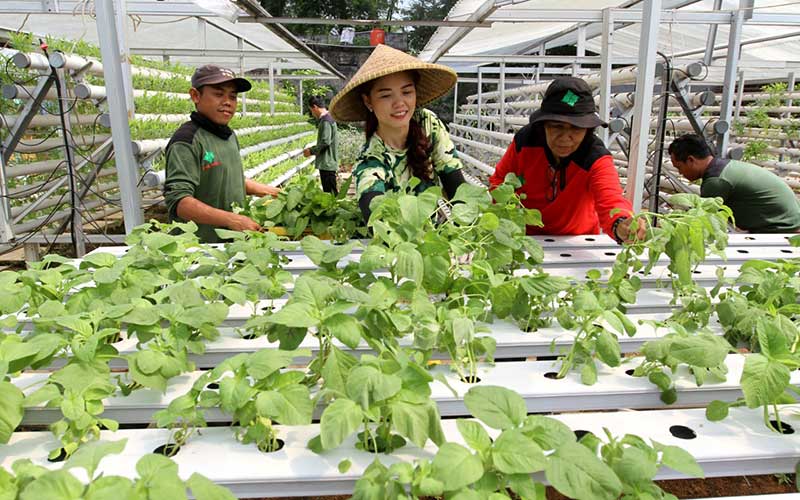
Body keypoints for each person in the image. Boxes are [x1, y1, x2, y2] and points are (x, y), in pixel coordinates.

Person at [490, 76, 645, 244]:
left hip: (577, 241)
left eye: (576, 128)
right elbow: (499, 180)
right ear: (544, 125)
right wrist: (508, 216)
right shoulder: (526, 141)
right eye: (557, 126)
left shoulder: (595, 157)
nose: (565, 138)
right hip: (526, 238)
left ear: (587, 129)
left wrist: (621, 223)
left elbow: (610, 198)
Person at [328, 44, 466, 221]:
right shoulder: (372, 158)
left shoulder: (427, 124)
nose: (399, 103)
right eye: (386, 95)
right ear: (368, 101)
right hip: (398, 244)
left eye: (407, 92)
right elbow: (375, 214)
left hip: (435, 237)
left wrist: (467, 227)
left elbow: (455, 184)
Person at [163, 65, 279, 243]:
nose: (228, 102)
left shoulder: (228, 135)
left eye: (232, 96)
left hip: (231, 244)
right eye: (218, 94)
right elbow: (180, 203)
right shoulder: (187, 141)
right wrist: (233, 220)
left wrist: (269, 191)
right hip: (199, 248)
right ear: (195, 95)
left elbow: (226, 178)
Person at [668, 134, 800, 233]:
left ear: (690, 160)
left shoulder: (716, 181)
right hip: (791, 220)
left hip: (782, 228)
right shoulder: (724, 167)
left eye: (679, 167)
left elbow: (700, 221)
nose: (680, 173)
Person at [303, 96, 340, 195]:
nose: (312, 113)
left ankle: (334, 210)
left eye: (311, 110)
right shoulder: (329, 118)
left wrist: (310, 151)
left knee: (330, 194)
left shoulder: (326, 121)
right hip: (329, 163)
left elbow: (325, 142)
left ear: (315, 107)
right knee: (331, 192)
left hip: (327, 163)